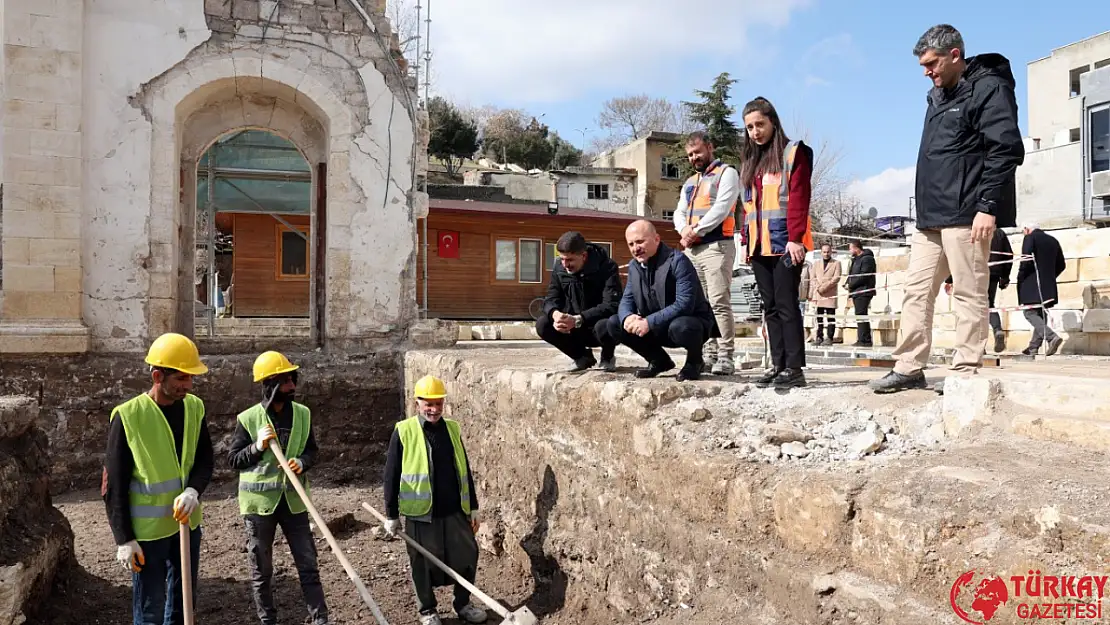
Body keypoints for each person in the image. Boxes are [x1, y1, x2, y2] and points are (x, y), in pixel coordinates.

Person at [870, 24, 1024, 393]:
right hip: (930, 217)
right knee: (916, 292)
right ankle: (909, 366)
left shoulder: (989, 87)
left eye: (932, 63)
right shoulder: (936, 96)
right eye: (923, 65)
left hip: (967, 213)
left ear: (955, 55)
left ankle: (966, 371)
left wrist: (987, 206)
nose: (927, 71)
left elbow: (1006, 149)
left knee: (969, 293)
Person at [103, 332, 213, 625]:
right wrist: (124, 539)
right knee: (150, 610)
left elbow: (205, 460)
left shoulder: (194, 407)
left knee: (182, 605)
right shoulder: (128, 416)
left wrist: (193, 490)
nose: (187, 386)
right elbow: (113, 485)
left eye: (191, 378)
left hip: (186, 524)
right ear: (157, 375)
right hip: (147, 533)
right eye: (180, 379)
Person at [228, 351, 329, 625]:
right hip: (260, 506)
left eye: (293, 379)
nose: (292, 386)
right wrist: (256, 447)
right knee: (262, 569)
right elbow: (234, 460)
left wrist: (301, 462)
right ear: (270, 384)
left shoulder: (304, 415)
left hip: (295, 502)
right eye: (286, 381)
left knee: (308, 564)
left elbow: (312, 451)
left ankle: (320, 619)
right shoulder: (248, 419)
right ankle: (267, 620)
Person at [382, 375, 487, 625]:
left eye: (438, 403)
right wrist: (391, 515)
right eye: (428, 404)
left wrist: (472, 507)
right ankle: (427, 610)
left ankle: (463, 604)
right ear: (417, 402)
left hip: (454, 510)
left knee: (467, 555)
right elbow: (391, 475)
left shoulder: (452, 428)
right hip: (421, 514)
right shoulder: (404, 430)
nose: (434, 409)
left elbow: (464, 469)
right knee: (422, 563)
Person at [738, 96, 815, 388]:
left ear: (773, 122)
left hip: (786, 244)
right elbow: (748, 208)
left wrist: (796, 239)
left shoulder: (794, 153)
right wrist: (747, 243)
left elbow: (798, 199)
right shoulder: (751, 162)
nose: (755, 132)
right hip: (759, 246)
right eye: (749, 127)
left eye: (760, 124)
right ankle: (778, 364)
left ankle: (794, 368)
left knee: (786, 304)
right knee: (769, 307)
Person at [604, 219, 719, 381]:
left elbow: (684, 304)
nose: (635, 248)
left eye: (640, 242)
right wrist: (627, 317)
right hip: (655, 326)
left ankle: (695, 362)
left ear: (656, 239)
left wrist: (648, 322)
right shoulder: (635, 266)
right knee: (615, 323)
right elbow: (626, 300)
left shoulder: (678, 261)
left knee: (683, 326)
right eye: (631, 244)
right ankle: (659, 361)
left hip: (688, 325)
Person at [673, 130, 740, 375]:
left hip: (716, 246)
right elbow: (679, 212)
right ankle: (709, 353)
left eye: (697, 152)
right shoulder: (690, 182)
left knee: (719, 301)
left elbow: (722, 207)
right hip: (693, 249)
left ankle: (726, 355)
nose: (694, 157)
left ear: (710, 148)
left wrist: (696, 230)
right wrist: (684, 231)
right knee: (700, 305)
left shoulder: (727, 173)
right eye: (690, 154)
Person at [536, 231, 622, 372]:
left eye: (569, 260)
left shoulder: (607, 267)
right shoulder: (559, 268)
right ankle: (581, 357)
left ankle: (607, 356)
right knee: (543, 324)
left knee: (607, 324)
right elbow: (550, 298)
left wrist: (579, 318)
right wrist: (555, 314)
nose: (565, 265)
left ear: (583, 255)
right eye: (562, 259)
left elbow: (612, 305)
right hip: (572, 327)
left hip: (597, 326)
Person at [944, 227, 1014, 353]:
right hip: (994, 274)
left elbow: (962, 255)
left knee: (973, 308)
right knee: (989, 305)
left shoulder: (973, 230)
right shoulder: (999, 233)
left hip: (976, 272)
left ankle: (977, 345)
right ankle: (997, 330)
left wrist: (950, 279)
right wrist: (1005, 277)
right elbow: (1009, 255)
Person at [1016, 223, 1066, 356]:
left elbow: (1025, 260)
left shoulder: (1030, 238)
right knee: (1040, 314)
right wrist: (1049, 276)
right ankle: (1033, 347)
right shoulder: (1053, 240)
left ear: (1027, 229)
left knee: (1030, 313)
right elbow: (1062, 264)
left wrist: (1021, 277)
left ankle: (1051, 337)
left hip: (1032, 283)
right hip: (1047, 285)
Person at [845, 240, 877, 347]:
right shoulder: (856, 260)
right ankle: (862, 338)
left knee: (861, 314)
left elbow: (864, 275)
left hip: (864, 291)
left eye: (850, 248)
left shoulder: (867, 259)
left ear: (856, 248)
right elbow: (852, 274)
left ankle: (865, 340)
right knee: (859, 315)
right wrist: (847, 283)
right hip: (856, 291)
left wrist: (851, 285)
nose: (849, 251)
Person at [810, 244, 841, 346]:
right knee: (819, 317)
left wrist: (824, 287)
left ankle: (830, 338)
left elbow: (836, 278)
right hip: (818, 294)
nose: (826, 254)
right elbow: (813, 277)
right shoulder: (816, 264)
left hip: (830, 294)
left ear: (831, 252)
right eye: (824, 252)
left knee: (830, 317)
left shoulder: (836, 263)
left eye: (828, 252)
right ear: (821, 252)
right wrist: (818, 287)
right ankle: (819, 337)